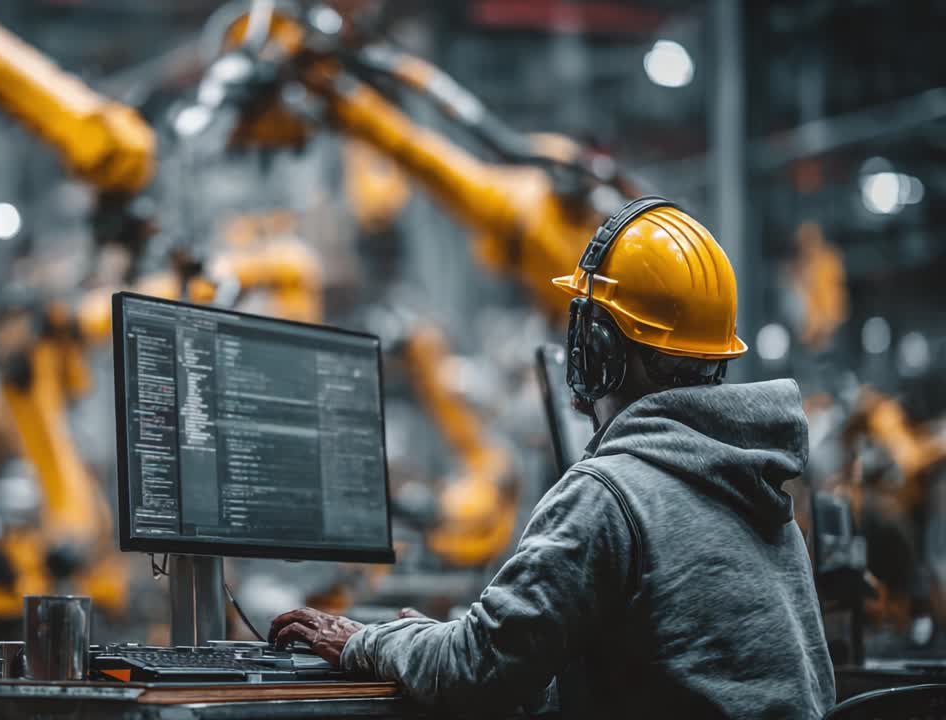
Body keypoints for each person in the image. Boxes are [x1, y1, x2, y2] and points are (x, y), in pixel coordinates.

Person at [270, 198, 836, 718]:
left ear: (600, 349)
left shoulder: (610, 495)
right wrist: (433, 645)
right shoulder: (759, 490)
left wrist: (368, 642)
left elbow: (475, 673)